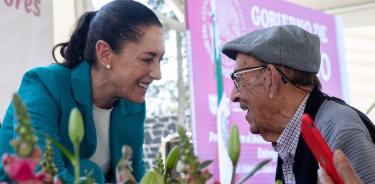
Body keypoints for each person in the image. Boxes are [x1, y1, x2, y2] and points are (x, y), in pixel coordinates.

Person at [0, 0, 165, 183]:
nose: (157, 74)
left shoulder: (132, 103)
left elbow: (133, 174)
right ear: (104, 53)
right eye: (147, 59)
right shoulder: (44, 85)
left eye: (160, 60)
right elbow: (45, 174)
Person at [221, 25, 375, 184]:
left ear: (271, 79)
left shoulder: (340, 129)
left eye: (239, 79)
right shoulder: (293, 137)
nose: (233, 96)